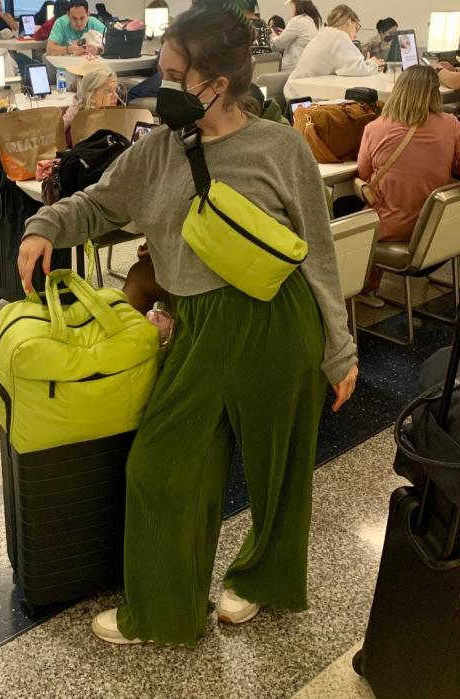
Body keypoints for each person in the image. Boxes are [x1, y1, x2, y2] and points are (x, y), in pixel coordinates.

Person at [18, 0, 359, 648]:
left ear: (218, 83)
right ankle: (164, 609)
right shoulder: (160, 151)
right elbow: (99, 201)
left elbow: (316, 249)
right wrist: (43, 226)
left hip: (278, 321)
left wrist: (339, 349)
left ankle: (261, 580)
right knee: (161, 465)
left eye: (174, 73)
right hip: (198, 322)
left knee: (279, 465)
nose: (161, 84)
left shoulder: (279, 148)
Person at [354, 64, 460, 306]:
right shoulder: (451, 125)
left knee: (348, 208)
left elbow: (364, 174)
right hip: (437, 229)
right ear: (434, 93)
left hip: (392, 227)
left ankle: (365, 289)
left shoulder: (374, 128)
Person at [283, 5, 381, 98]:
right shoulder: (339, 36)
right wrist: (373, 63)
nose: (356, 35)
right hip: (304, 97)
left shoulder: (324, 33)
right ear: (349, 22)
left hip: (296, 91)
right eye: (357, 27)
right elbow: (356, 69)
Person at [62, 66, 120, 145]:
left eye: (115, 90)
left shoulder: (116, 115)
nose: (116, 96)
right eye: (108, 91)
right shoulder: (78, 115)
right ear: (91, 96)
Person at [270, 0, 320, 73]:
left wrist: (273, 36)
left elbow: (278, 44)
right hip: (306, 67)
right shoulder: (312, 20)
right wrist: (286, 33)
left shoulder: (297, 20)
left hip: (292, 69)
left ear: (296, 4)